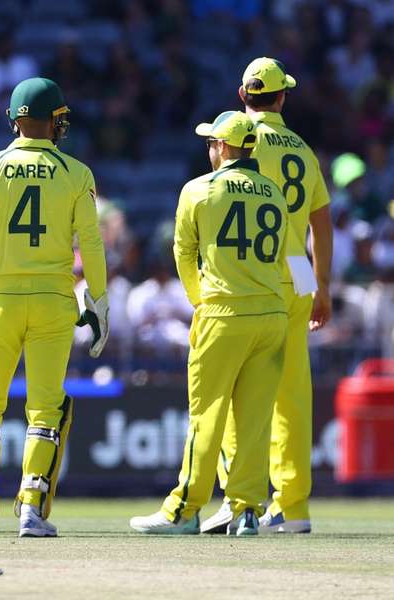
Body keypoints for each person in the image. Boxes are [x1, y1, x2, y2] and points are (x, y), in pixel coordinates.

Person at [0, 77, 109, 538]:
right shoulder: (77, 173)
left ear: (14, 120)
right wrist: (97, 302)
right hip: (55, 301)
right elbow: (92, 245)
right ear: (53, 120)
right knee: (46, 409)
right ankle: (32, 511)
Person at [130, 111, 289, 535]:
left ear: (222, 147)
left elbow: (183, 254)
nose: (209, 149)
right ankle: (248, 510)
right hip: (273, 315)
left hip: (224, 312)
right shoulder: (273, 191)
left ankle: (185, 509)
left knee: (207, 415)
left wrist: (200, 301)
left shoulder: (198, 190)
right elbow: (289, 256)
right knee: (255, 422)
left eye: (211, 143)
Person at [200, 58, 333, 535]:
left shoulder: (234, 139)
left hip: (252, 272)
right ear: (282, 97)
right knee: (292, 394)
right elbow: (321, 221)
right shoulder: (302, 148)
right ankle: (293, 506)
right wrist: (322, 286)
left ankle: (241, 502)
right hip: (297, 269)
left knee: (238, 389)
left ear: (242, 96)